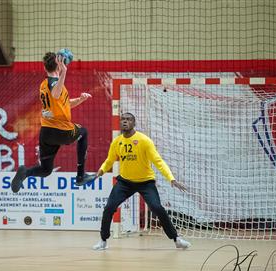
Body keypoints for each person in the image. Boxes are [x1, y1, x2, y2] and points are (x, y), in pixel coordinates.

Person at [92, 112, 191, 250]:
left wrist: (171, 178)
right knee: (108, 208)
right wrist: (101, 171)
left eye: (128, 119)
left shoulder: (144, 140)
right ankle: (103, 240)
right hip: (125, 183)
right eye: (123, 119)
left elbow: (158, 161)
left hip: (146, 183)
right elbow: (109, 160)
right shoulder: (117, 142)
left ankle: (176, 239)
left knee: (157, 208)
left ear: (134, 123)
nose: (125, 122)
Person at [11, 52, 96, 193]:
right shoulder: (54, 83)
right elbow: (56, 93)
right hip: (61, 130)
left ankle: (24, 173)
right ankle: (80, 176)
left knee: (45, 170)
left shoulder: (43, 85)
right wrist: (64, 72)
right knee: (83, 132)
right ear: (59, 66)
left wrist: (80, 100)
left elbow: (63, 103)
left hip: (46, 133)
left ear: (45, 68)